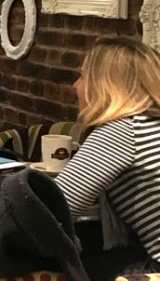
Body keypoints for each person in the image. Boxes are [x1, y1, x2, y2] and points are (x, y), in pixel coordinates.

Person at [55, 38, 160, 279]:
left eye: (82, 76)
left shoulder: (124, 130)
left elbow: (54, 210)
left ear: (105, 85)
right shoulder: (150, 124)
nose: (75, 85)